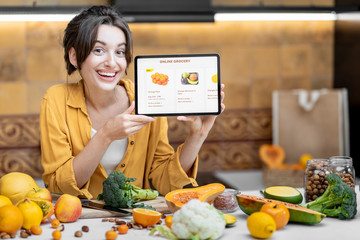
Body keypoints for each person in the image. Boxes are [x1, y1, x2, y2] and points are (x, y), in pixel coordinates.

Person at [40, 5, 225, 199]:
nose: (112, 62)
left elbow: (164, 182)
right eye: (99, 50)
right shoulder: (56, 101)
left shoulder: (146, 97)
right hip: (80, 222)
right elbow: (58, 186)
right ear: (75, 57)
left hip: (135, 224)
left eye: (120, 52)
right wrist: (105, 135)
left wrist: (198, 135)